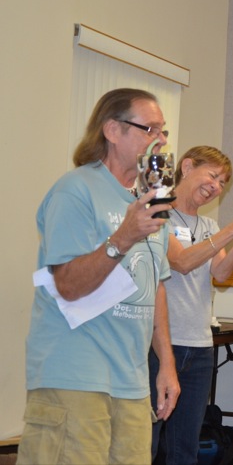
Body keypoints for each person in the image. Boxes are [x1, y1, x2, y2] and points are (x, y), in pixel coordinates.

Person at [18, 88, 180, 465]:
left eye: (163, 130)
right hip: (74, 373)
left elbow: (154, 286)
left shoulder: (152, 198)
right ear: (112, 130)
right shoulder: (75, 190)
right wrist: (123, 237)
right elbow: (68, 285)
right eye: (149, 128)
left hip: (131, 379)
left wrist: (166, 364)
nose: (160, 139)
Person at [149, 145, 233, 465]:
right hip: (160, 344)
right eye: (212, 176)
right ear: (187, 167)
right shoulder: (157, 213)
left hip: (200, 347)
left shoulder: (208, 226)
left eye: (222, 183)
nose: (216, 187)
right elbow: (181, 262)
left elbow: (221, 273)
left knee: (185, 448)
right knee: (146, 442)